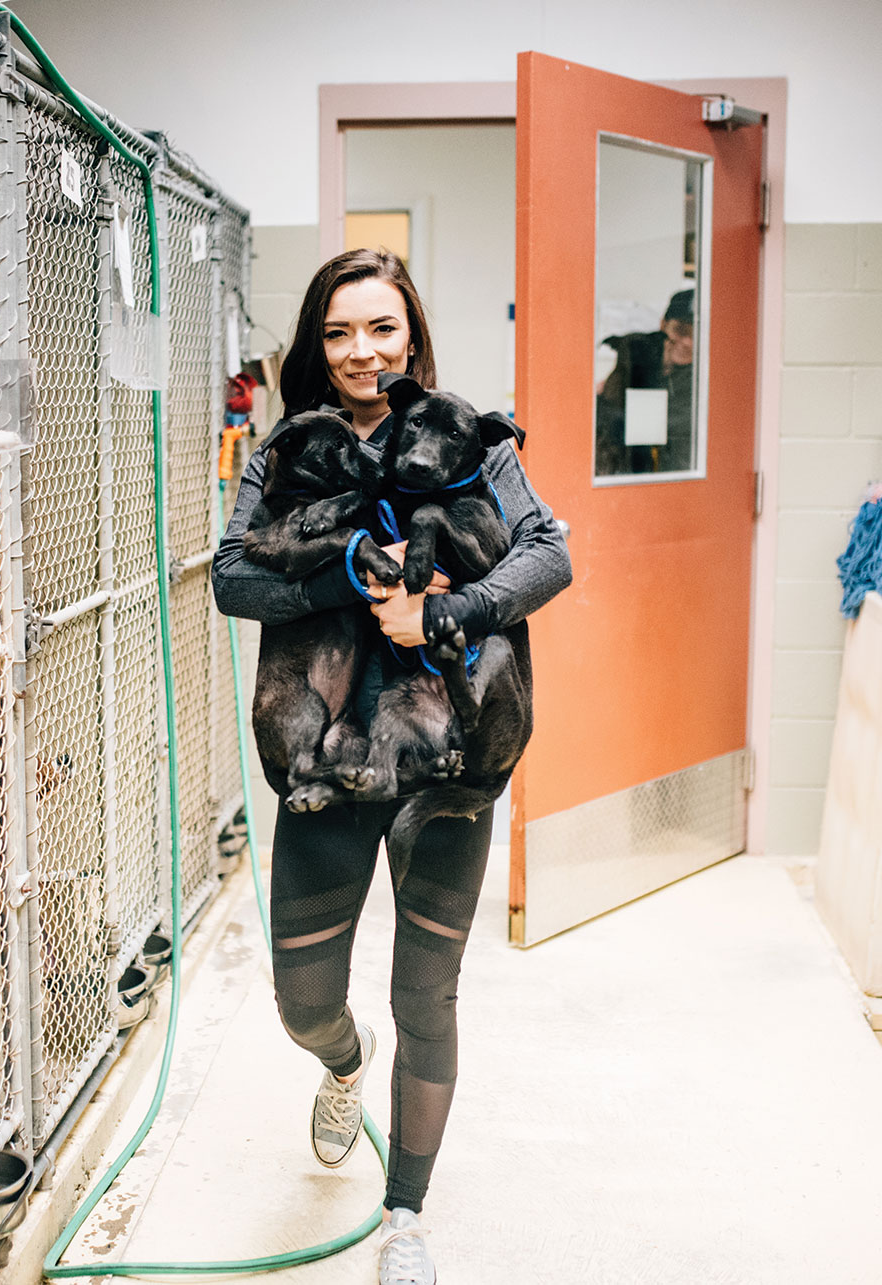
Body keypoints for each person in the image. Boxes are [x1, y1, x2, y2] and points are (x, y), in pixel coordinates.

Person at [212, 248, 570, 1285]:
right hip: (325, 756)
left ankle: (402, 1217)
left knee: (429, 994)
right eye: (338, 331)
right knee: (300, 994)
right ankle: (340, 1063)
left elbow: (547, 553)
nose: (362, 350)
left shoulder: (462, 435)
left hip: (452, 757)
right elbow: (234, 577)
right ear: (315, 349)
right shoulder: (287, 452)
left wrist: (440, 611)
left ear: (409, 331)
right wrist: (334, 577)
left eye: (380, 327)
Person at [594, 286, 695, 476]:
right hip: (625, 468)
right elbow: (610, 405)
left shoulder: (702, 377)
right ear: (663, 324)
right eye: (681, 329)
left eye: (695, 333)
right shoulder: (635, 351)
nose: (687, 341)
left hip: (678, 473)